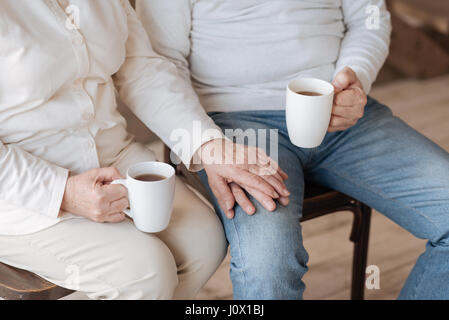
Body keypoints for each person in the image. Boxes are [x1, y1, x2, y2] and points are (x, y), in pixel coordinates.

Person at [137, 0, 449, 299]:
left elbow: (368, 18)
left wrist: (356, 77)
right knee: (267, 263)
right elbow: (158, 60)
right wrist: (206, 143)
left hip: (339, 111)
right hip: (234, 125)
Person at [0, 0, 286, 300]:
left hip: (113, 158)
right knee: (146, 274)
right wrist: (63, 192)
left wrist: (208, 145)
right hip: (20, 189)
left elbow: (141, 70)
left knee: (204, 242)